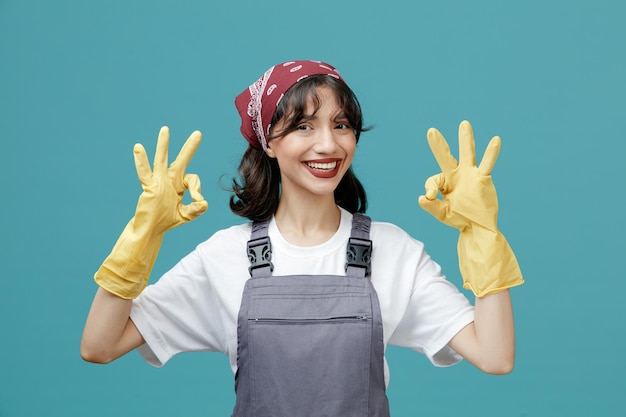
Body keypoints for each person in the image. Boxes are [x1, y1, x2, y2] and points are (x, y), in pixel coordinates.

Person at [81, 60, 524, 416]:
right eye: (303, 126)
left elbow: (495, 355)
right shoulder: (225, 256)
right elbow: (100, 346)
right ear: (268, 142)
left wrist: (483, 232)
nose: (328, 144)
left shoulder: (393, 250)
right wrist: (142, 236)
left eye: (342, 124)